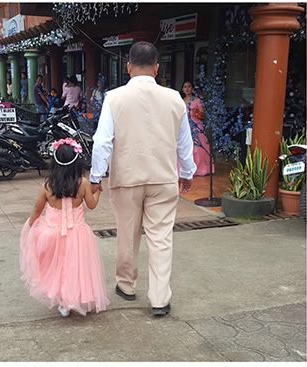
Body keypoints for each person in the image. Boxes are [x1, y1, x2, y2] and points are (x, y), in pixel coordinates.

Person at [89, 41, 196, 316]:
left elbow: (102, 142)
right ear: (157, 67)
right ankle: (160, 299)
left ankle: (126, 286)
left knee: (127, 234)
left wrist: (95, 176)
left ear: (128, 66)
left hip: (127, 177)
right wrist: (187, 172)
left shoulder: (114, 98)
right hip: (163, 177)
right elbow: (185, 143)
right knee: (161, 237)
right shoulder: (175, 99)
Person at [20, 138, 109, 317]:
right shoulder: (82, 183)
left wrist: (30, 225)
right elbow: (91, 205)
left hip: (52, 233)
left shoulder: (47, 185)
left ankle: (63, 302)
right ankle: (74, 300)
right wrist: (97, 192)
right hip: (78, 233)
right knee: (77, 267)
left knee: (57, 267)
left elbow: (37, 209)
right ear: (77, 162)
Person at [181, 80, 213, 176]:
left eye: (189, 86)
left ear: (192, 88)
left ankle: (200, 169)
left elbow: (203, 116)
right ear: (182, 89)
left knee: (198, 148)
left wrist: (197, 112)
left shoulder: (198, 101)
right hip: (185, 126)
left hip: (196, 126)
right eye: (185, 87)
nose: (187, 88)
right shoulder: (181, 101)